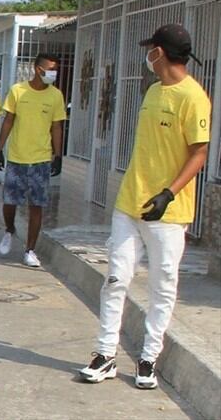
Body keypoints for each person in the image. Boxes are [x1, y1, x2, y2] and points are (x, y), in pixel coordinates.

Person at [79, 24, 211, 390]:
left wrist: (168, 193)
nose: (147, 57)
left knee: (162, 285)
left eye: (150, 50)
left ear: (160, 53)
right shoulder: (153, 91)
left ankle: (149, 358)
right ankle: (104, 354)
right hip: (130, 202)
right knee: (116, 278)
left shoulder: (193, 97)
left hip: (168, 212)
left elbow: (199, 152)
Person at [0, 53, 66, 268]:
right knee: (10, 202)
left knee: (36, 205)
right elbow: (8, 121)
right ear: (37, 69)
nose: (53, 73)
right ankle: (9, 229)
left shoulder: (56, 96)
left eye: (55, 69)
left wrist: (58, 155)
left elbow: (57, 127)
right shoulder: (18, 91)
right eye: (49, 68)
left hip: (41, 159)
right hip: (17, 157)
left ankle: (30, 249)